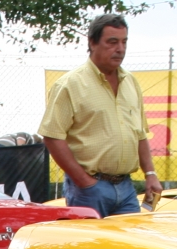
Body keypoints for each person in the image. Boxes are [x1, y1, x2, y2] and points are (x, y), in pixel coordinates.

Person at [39, 12, 163, 217]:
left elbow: (139, 133)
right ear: (92, 42)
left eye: (124, 42)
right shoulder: (70, 84)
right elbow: (52, 136)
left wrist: (150, 174)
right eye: (112, 42)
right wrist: (84, 181)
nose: (120, 49)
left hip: (126, 188)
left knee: (130, 247)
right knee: (91, 248)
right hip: (89, 190)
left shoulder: (131, 82)